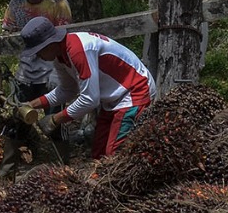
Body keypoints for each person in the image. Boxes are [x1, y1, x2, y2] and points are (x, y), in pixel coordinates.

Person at [18, 16, 158, 159]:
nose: (38, 55)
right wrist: (32, 105)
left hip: (134, 91)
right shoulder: (60, 56)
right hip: (113, 99)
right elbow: (67, 90)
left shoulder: (79, 51)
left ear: (49, 44)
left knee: (115, 155)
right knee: (99, 153)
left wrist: (55, 120)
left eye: (38, 50)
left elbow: (90, 99)